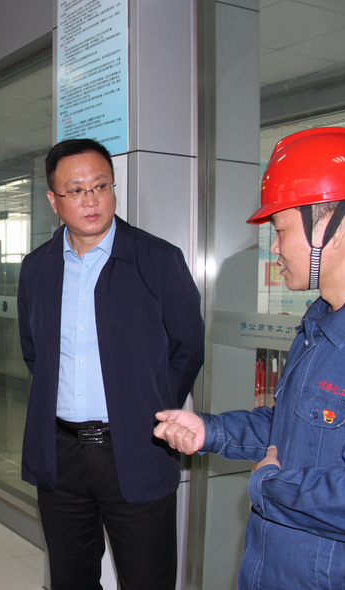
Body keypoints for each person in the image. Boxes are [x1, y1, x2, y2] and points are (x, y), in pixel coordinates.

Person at [155, 127, 345, 590]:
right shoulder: (321, 321)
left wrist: (269, 484)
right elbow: (295, 428)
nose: (275, 247)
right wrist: (210, 431)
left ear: (331, 225)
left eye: (281, 230)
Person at [18, 138, 205, 589]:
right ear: (54, 201)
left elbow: (188, 347)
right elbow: (34, 351)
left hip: (137, 451)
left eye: (100, 186)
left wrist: (149, 407)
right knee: (70, 579)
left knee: (146, 579)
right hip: (60, 455)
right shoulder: (38, 267)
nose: (91, 200)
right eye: (75, 190)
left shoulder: (157, 259)